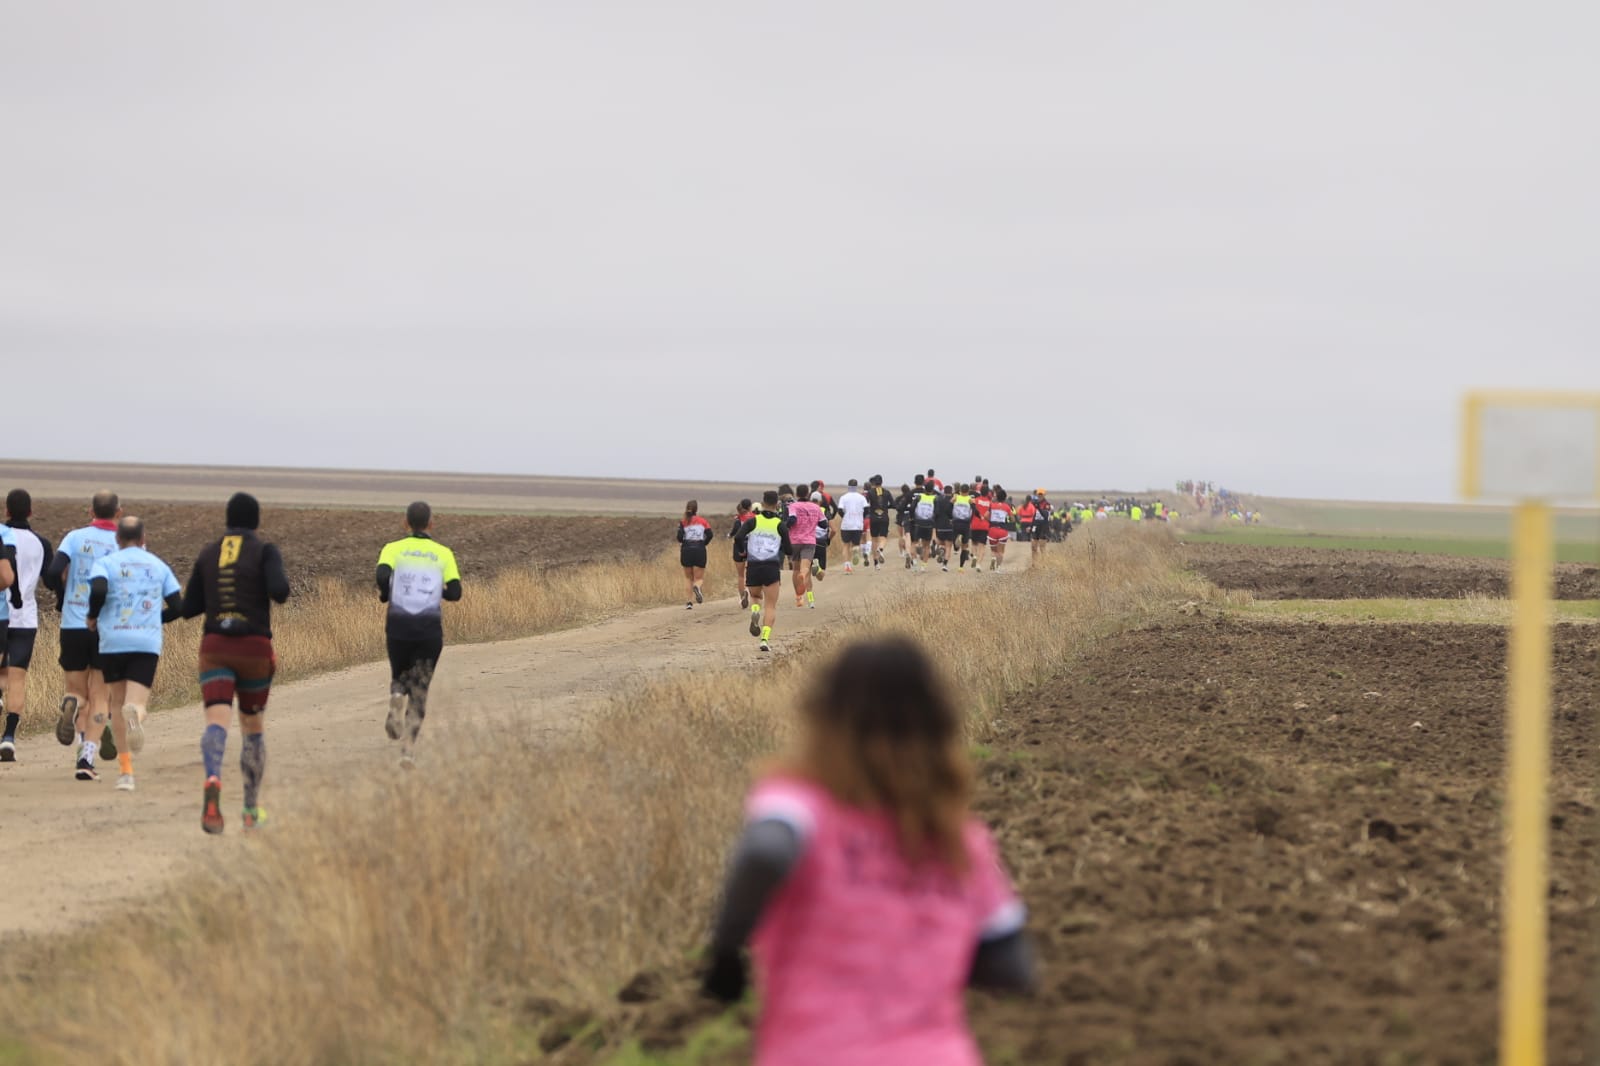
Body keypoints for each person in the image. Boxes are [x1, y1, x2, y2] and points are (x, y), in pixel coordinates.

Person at [702, 636, 1035, 1064]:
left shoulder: (801, 804)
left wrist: (726, 952)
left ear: (824, 717)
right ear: (939, 728)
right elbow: (1012, 968)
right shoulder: (960, 841)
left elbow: (764, 852)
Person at [181, 492, 292, 831]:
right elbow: (281, 591)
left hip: (215, 647)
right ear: (256, 521)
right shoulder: (265, 551)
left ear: (227, 520)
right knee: (251, 728)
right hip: (254, 648)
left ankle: (213, 777)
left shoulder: (209, 552)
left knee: (216, 721)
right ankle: (249, 808)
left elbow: (189, 608)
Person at [85, 517, 183, 791]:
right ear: (143, 538)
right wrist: (156, 619)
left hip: (113, 639)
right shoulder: (158, 564)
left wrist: (93, 616)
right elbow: (179, 606)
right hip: (145, 643)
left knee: (115, 704)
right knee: (135, 703)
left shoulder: (105, 563)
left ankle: (125, 771)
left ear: (118, 539)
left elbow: (99, 589)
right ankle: (136, 716)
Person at [376, 501, 462, 767]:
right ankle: (408, 751)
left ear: (405, 523)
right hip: (428, 631)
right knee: (421, 689)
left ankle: (396, 696)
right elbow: (456, 592)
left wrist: (386, 593)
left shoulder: (392, 549)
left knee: (399, 674)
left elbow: (382, 574)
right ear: (431, 524)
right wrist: (437, 591)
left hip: (398, 626)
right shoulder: (443, 553)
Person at [46, 491, 122, 775]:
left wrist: (61, 595)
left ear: (90, 510)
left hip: (73, 625)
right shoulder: (124, 542)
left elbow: (54, 570)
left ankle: (71, 705)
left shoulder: (74, 538)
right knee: (101, 697)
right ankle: (86, 760)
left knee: (78, 693)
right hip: (107, 628)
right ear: (118, 511)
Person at [1, 491, 51, 760]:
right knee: (17, 678)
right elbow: (52, 578)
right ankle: (8, 737)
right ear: (30, 512)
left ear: (7, 511)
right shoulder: (41, 543)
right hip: (25, 619)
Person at [739, 491, 792, 653]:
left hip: (754, 566)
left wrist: (743, 551)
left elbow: (738, 537)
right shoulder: (779, 524)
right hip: (771, 566)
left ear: (762, 504)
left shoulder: (753, 521)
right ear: (777, 505)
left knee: (755, 596)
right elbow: (789, 548)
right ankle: (764, 639)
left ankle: (755, 611)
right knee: (770, 606)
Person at [785, 485, 823, 609]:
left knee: (795, 570)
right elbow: (824, 523)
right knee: (805, 569)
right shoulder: (816, 507)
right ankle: (811, 600)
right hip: (809, 541)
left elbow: (792, 519)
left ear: (797, 494)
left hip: (794, 541)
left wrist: (786, 527)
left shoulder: (793, 506)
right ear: (808, 494)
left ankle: (799, 598)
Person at [677, 500, 714, 609]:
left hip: (686, 549)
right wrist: (704, 543)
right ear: (696, 509)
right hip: (699, 549)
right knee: (699, 578)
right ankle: (697, 587)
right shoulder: (703, 521)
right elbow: (710, 534)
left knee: (688, 578)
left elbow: (679, 537)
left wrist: (684, 542)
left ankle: (689, 603)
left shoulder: (683, 521)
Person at [835, 480, 868, 573]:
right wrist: (861, 517)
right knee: (855, 544)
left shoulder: (843, 497)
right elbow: (867, 509)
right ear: (856, 486)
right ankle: (855, 551)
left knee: (846, 545)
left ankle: (847, 566)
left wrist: (844, 517)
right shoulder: (861, 498)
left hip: (846, 525)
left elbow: (840, 510)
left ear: (848, 486)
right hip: (858, 525)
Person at [910, 481, 940, 572]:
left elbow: (912, 508)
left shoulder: (919, 497)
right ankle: (923, 566)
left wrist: (912, 518)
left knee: (913, 543)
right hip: (929, 524)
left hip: (918, 523)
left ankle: (914, 562)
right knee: (926, 546)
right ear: (933, 489)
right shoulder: (935, 498)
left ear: (924, 488)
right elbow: (937, 512)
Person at [730, 499, 754, 610]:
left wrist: (729, 535)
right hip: (752, 545)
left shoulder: (738, 519)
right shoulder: (755, 517)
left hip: (739, 546)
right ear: (750, 507)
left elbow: (734, 533)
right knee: (751, 572)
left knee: (740, 575)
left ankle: (742, 595)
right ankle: (754, 595)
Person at [865, 475, 893, 569]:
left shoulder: (870, 492)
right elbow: (893, 504)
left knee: (874, 540)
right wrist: (885, 507)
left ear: (873, 483)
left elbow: (866, 504)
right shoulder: (887, 492)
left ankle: (876, 564)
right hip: (884, 517)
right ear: (882, 482)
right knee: (883, 537)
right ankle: (880, 549)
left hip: (873, 518)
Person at [808, 492, 831, 600]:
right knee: (820, 576)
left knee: (806, 571)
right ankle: (817, 569)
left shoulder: (805, 510)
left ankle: (810, 598)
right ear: (820, 501)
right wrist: (828, 539)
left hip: (808, 541)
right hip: (821, 542)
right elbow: (834, 529)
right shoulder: (825, 511)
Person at [987, 488, 1016, 571]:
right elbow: (1013, 519)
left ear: (997, 497)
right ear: (1004, 498)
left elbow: (986, 516)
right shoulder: (1007, 507)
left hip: (992, 529)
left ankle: (993, 559)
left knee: (993, 550)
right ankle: (998, 568)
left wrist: (990, 521)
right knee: (1001, 551)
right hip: (1002, 530)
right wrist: (1007, 520)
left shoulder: (992, 505)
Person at [950, 484, 975, 572]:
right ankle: (961, 567)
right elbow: (974, 510)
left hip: (956, 522)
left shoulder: (956, 497)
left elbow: (949, 506)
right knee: (965, 547)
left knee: (956, 546)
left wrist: (950, 517)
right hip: (966, 524)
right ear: (968, 492)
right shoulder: (970, 499)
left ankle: (956, 544)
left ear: (960, 491)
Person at [967, 482, 991, 575]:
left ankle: (974, 556)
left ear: (980, 492)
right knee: (982, 546)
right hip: (985, 526)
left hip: (974, 525)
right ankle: (979, 564)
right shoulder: (990, 503)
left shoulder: (975, 500)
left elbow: (970, 505)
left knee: (974, 543)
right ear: (988, 493)